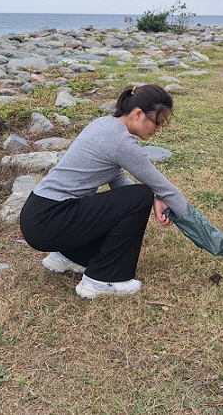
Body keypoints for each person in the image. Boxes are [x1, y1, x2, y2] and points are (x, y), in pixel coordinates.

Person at [19, 84, 190, 299]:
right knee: (141, 195)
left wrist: (154, 199)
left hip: (38, 214)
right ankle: (102, 280)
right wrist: (197, 225)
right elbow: (163, 187)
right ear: (138, 114)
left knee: (139, 197)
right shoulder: (120, 141)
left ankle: (69, 256)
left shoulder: (104, 125)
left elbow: (115, 178)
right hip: (51, 218)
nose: (158, 129)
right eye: (157, 122)